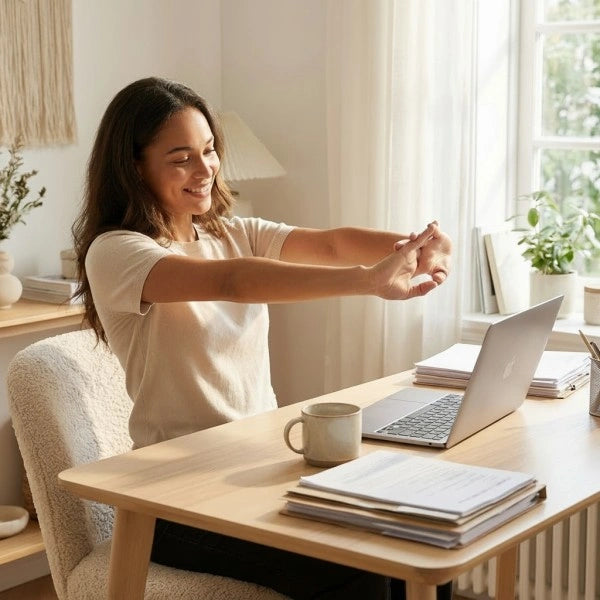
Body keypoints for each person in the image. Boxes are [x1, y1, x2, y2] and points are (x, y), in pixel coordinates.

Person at [72, 77, 453, 600]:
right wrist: (368, 280)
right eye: (181, 157)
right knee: (365, 569)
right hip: (178, 502)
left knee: (425, 541)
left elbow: (331, 243)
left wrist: (414, 245)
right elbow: (234, 282)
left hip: (262, 470)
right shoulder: (118, 252)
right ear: (134, 166)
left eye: (209, 150)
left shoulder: (230, 232)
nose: (205, 169)